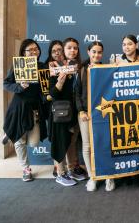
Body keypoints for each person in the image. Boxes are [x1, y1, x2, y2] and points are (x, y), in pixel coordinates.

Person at [3, 39, 47, 182]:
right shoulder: (18, 66)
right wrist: (20, 86)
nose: (34, 52)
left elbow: (47, 84)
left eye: (36, 49)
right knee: (20, 141)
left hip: (35, 109)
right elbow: (6, 83)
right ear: (23, 52)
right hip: (19, 107)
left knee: (33, 143)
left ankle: (9, 132)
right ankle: (26, 169)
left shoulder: (42, 66)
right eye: (30, 50)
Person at [76, 41, 115, 192]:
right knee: (87, 146)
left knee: (105, 145)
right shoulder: (81, 70)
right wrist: (81, 110)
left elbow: (111, 92)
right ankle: (92, 177)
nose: (96, 55)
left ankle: (108, 176)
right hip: (85, 114)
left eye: (99, 52)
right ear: (88, 52)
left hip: (103, 112)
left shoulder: (106, 69)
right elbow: (77, 93)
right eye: (94, 52)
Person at [110, 34, 139, 186]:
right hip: (123, 107)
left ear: (136, 45)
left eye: (130, 44)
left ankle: (137, 173)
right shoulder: (116, 61)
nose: (127, 47)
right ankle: (126, 173)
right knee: (125, 141)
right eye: (124, 44)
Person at [49, 37, 87, 187]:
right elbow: (52, 94)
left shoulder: (79, 67)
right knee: (60, 142)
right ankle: (60, 173)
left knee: (71, 142)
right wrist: (60, 81)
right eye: (69, 48)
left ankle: (71, 170)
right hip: (60, 112)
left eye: (75, 48)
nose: (73, 51)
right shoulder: (55, 67)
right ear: (63, 51)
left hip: (75, 111)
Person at [44, 40, 65, 178]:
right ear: (50, 53)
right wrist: (59, 82)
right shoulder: (47, 69)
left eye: (59, 50)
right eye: (54, 51)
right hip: (54, 109)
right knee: (56, 139)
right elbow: (49, 95)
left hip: (68, 107)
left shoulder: (69, 65)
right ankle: (57, 168)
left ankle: (68, 167)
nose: (57, 53)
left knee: (65, 139)